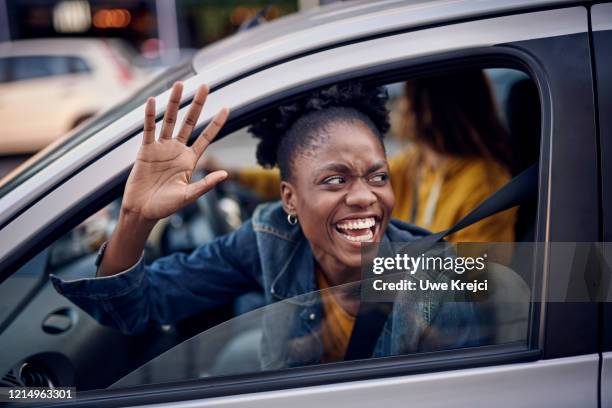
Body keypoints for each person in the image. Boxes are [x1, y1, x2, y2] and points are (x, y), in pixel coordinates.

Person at [51, 81, 481, 370]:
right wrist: (135, 218)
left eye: (378, 176)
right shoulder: (267, 237)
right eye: (335, 180)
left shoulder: (433, 274)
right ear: (290, 198)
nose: (366, 196)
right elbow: (134, 309)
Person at [217, 70, 516, 243]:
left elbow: (474, 282)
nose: (400, 107)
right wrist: (233, 174)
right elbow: (315, 180)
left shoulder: (484, 181)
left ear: (431, 108)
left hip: (450, 326)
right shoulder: (419, 165)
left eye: (408, 99)